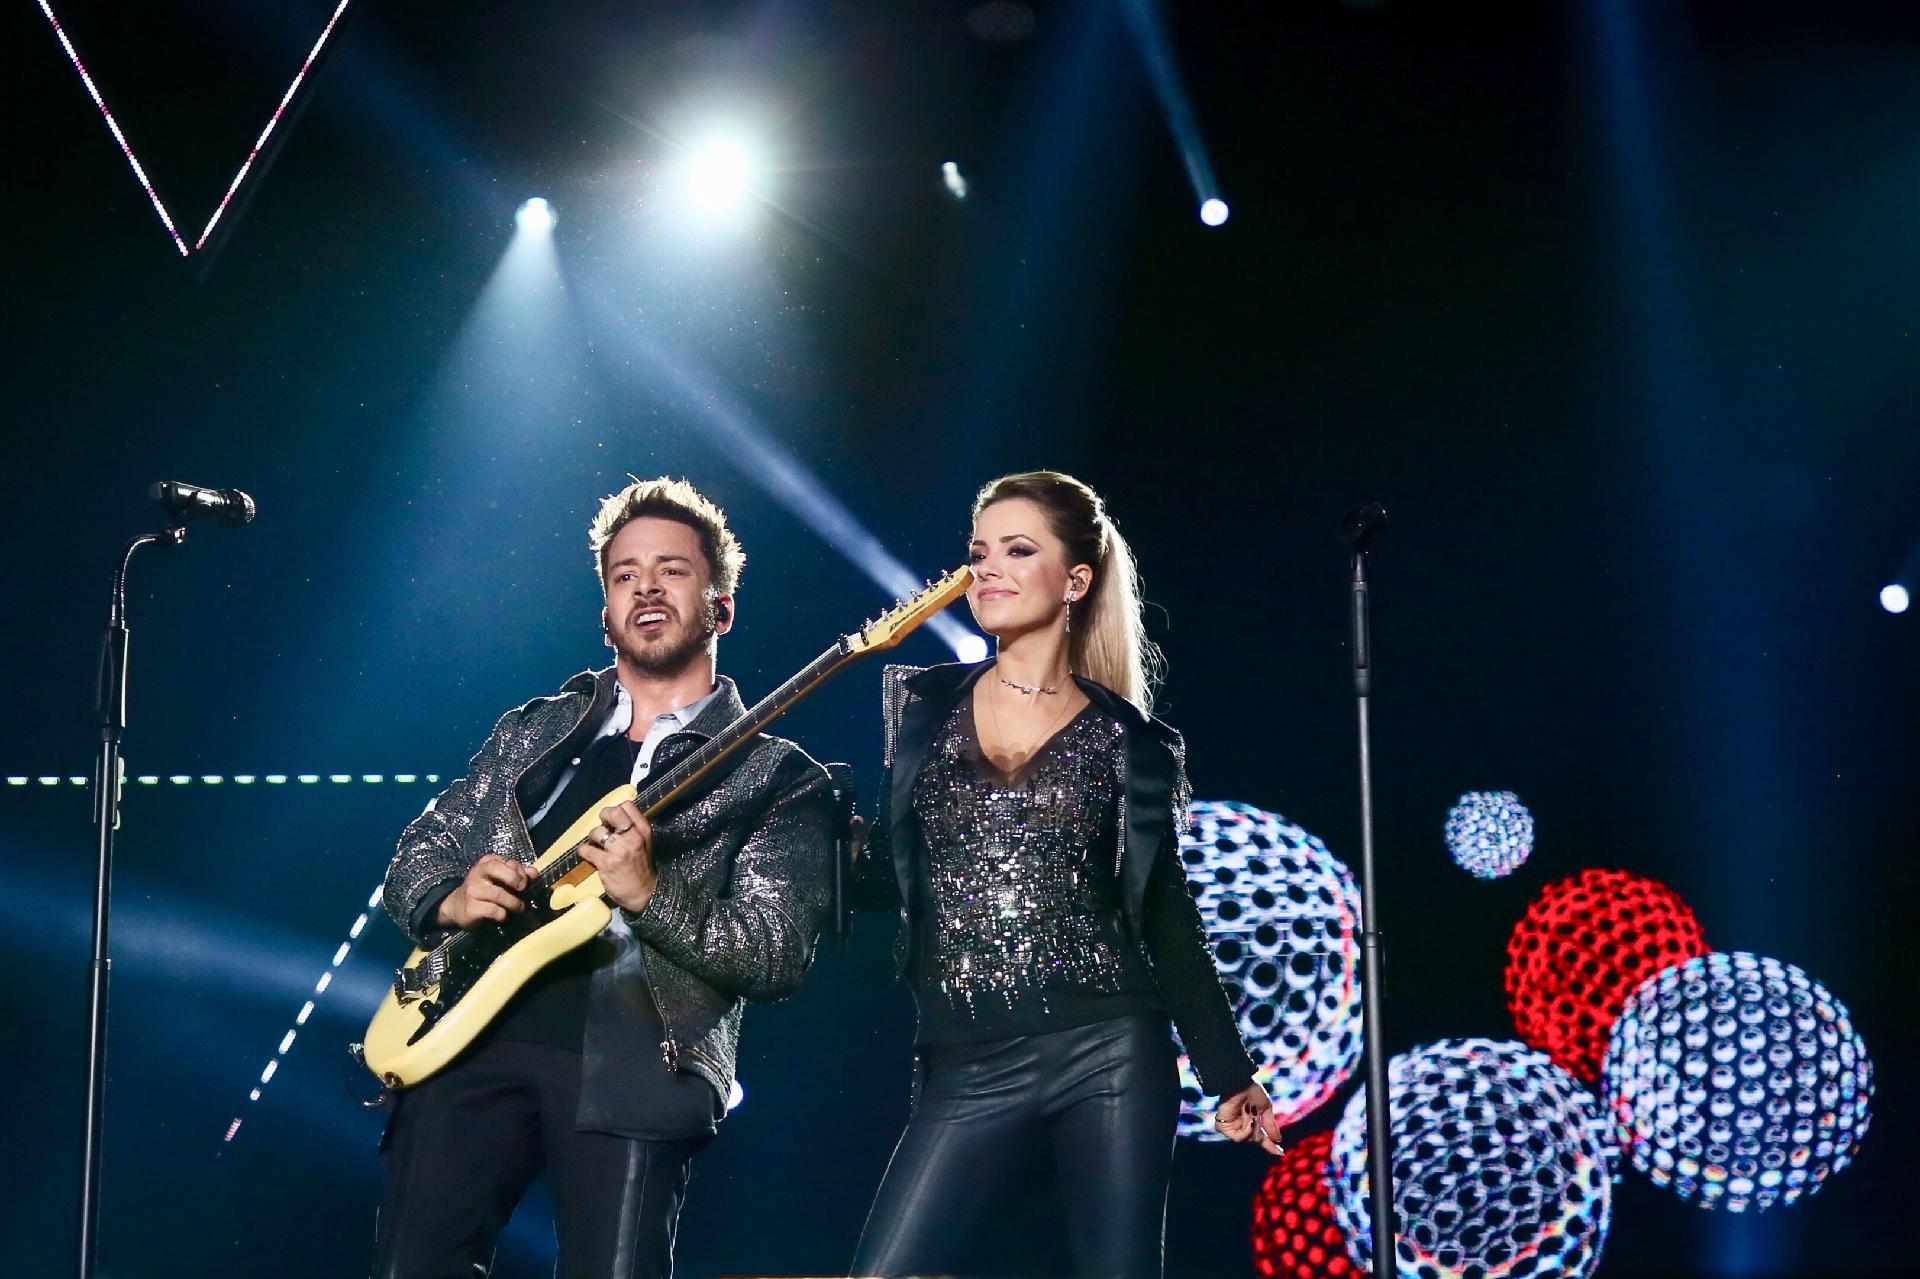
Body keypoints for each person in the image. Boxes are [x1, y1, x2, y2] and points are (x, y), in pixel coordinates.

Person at [374, 477, 835, 1279]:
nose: (647, 586)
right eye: (626, 574)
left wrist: (651, 893)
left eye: (672, 569)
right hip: (466, 1043)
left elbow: (775, 952)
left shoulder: (776, 776)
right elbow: (421, 847)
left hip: (635, 1066)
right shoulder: (535, 729)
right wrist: (451, 894)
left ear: (720, 607)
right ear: (606, 612)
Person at [849, 470, 1282, 1279]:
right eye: (979, 553)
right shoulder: (924, 705)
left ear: (1076, 579)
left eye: (1018, 550)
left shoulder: (1131, 741)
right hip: (965, 1059)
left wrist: (1229, 1073)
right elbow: (887, 875)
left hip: (1108, 1050)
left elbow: (1164, 913)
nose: (989, 570)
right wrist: (815, 835)